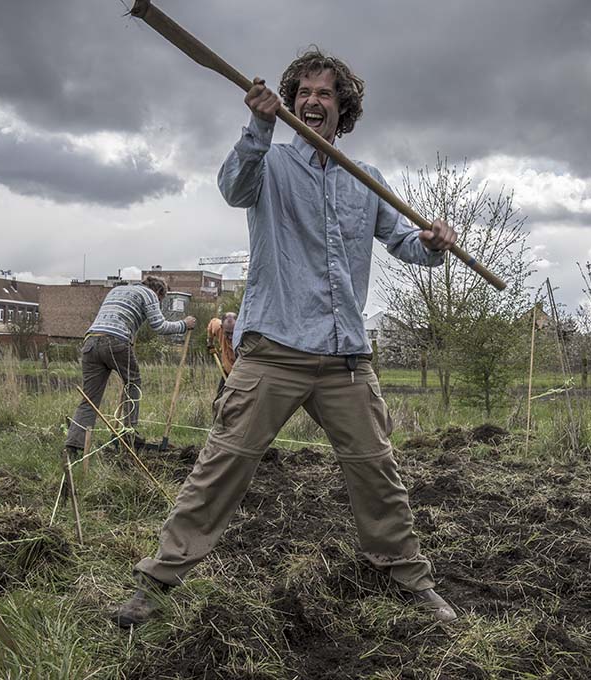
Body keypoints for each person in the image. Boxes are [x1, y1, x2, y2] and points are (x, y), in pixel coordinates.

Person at [116, 48, 458, 627]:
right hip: (274, 348)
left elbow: (405, 242)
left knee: (377, 468)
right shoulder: (270, 164)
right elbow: (232, 186)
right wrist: (259, 124)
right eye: (303, 92)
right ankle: (156, 584)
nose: (312, 101)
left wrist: (431, 242)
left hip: (345, 355)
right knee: (222, 464)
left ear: (342, 107)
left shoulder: (364, 180)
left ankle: (408, 578)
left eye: (324, 93)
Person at [64, 276, 196, 455]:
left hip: (90, 342)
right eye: (160, 301)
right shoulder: (149, 294)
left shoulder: (117, 290)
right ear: (159, 293)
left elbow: (121, 316)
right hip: (115, 341)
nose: (158, 303)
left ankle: (73, 445)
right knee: (133, 382)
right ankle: (129, 433)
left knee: (90, 398)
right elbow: (159, 326)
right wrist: (183, 324)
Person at [206, 311, 237, 395]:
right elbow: (212, 323)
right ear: (222, 327)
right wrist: (210, 342)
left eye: (232, 333)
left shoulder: (244, 340)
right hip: (226, 373)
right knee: (219, 399)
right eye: (227, 333)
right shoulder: (218, 327)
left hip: (239, 376)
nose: (230, 337)